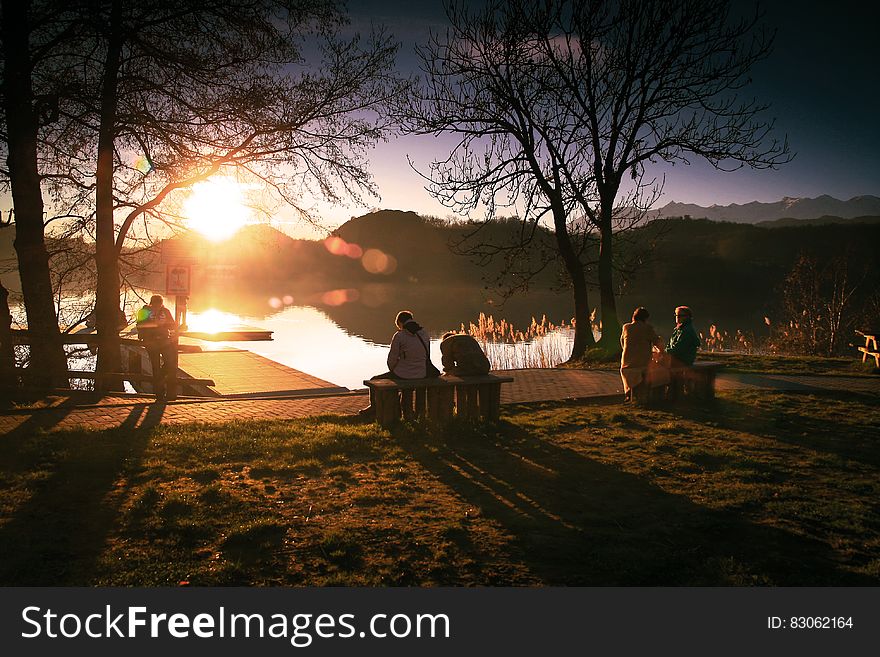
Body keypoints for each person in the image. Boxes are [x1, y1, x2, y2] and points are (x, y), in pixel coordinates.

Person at [359, 310, 434, 419]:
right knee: (408, 391)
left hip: (403, 374)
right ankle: (415, 415)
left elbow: (392, 359)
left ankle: (374, 407)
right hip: (422, 373)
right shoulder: (424, 334)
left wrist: (393, 371)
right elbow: (426, 355)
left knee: (374, 380)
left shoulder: (400, 335)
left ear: (399, 322)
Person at [136, 294, 179, 401]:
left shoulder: (165, 312)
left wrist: (165, 325)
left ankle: (162, 378)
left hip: (164, 341)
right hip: (151, 343)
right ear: (151, 303)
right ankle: (159, 393)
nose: (157, 306)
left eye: (159, 304)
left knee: (170, 363)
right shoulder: (144, 312)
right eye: (155, 304)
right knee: (155, 367)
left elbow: (172, 325)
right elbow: (139, 325)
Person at [619, 307, 663, 402]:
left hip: (625, 363)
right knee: (663, 372)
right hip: (642, 364)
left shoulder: (626, 327)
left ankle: (629, 394)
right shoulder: (647, 328)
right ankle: (656, 398)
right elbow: (658, 343)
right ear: (645, 319)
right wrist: (661, 353)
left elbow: (622, 343)